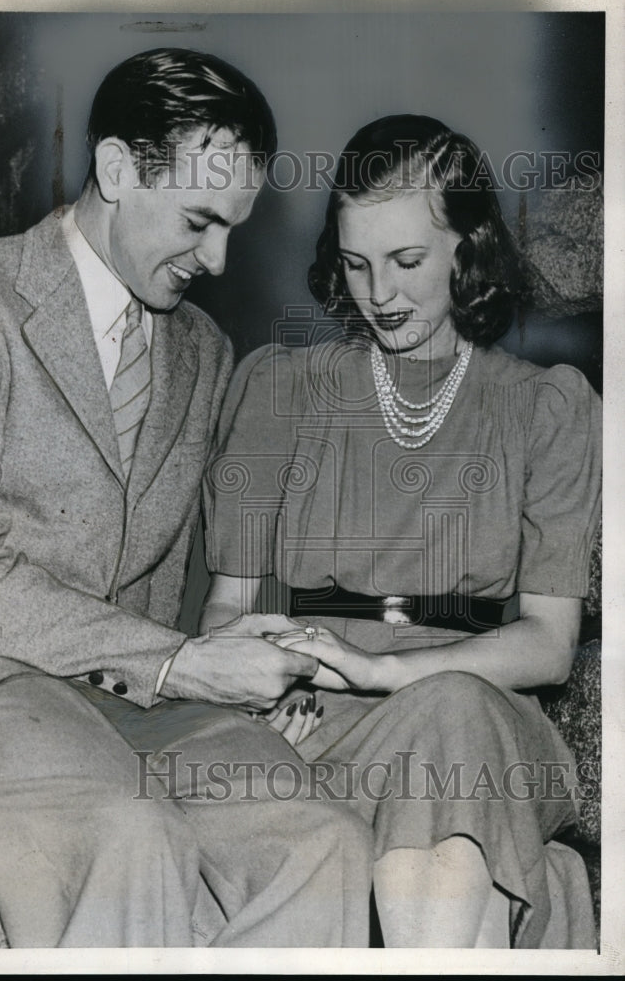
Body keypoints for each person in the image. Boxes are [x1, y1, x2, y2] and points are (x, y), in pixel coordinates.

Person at [0, 48, 373, 948]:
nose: (219, 259)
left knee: (320, 838)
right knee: (130, 829)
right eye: (197, 220)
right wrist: (180, 663)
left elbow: (153, 581)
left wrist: (228, 671)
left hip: (118, 692)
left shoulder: (202, 351)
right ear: (115, 168)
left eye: (233, 226)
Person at [202, 114, 601, 948]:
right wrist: (255, 696)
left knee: (450, 709)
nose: (378, 293)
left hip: (484, 716)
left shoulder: (546, 407)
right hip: (316, 718)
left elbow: (548, 644)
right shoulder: (279, 388)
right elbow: (226, 611)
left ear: (470, 247)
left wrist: (386, 674)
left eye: (407, 261)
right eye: (355, 264)